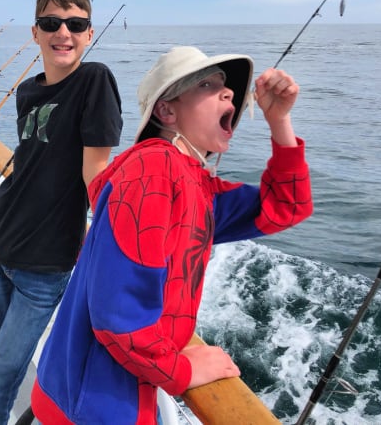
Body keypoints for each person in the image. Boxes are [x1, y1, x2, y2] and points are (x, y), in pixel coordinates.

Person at [30, 45, 314, 424]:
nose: (228, 92)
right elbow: (118, 315)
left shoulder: (196, 186)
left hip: (104, 391)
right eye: (208, 84)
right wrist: (182, 372)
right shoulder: (154, 169)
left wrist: (279, 122)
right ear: (167, 111)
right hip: (97, 407)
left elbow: (286, 206)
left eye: (226, 86)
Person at [0, 0, 123, 425]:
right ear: (35, 32)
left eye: (76, 24)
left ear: (89, 33)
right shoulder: (27, 91)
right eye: (51, 22)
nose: (63, 33)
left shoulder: (94, 81)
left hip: (45, 265)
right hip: (2, 246)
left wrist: (113, 244)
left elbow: (96, 175)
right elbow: (32, 160)